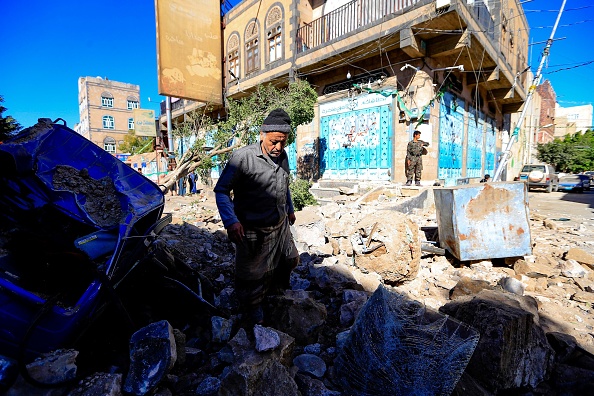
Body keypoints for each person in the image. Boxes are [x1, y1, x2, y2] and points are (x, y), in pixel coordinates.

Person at [214, 108, 299, 326]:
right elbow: (221, 190)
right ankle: (251, 310)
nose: (278, 147)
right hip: (251, 228)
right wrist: (231, 221)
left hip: (279, 224)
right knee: (251, 276)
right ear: (262, 134)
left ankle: (276, 291)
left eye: (283, 142)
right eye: (273, 141)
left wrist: (289, 208)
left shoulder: (283, 156)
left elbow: (285, 184)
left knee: (290, 259)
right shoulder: (243, 158)